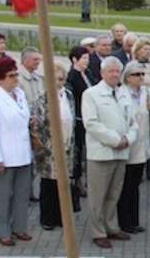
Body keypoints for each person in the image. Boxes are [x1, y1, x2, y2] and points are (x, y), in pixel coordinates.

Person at [82, 56, 138, 249]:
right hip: (101, 154)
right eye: (110, 71)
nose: (114, 74)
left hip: (122, 153)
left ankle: (111, 227)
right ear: (102, 73)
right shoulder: (91, 94)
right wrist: (115, 140)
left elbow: (133, 121)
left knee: (114, 193)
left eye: (117, 71)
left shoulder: (123, 93)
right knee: (98, 196)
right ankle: (98, 232)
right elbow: (91, 124)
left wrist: (128, 139)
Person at [0, 56, 33, 247]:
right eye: (11, 76)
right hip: (4, 156)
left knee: (21, 194)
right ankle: (3, 231)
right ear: (0, 78)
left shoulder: (19, 94)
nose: (16, 79)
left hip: (23, 154)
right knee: (2, 197)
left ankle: (19, 227)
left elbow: (23, 119)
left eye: (16, 74)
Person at [117, 61, 150, 235]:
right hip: (128, 145)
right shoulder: (121, 93)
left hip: (142, 144)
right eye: (137, 74)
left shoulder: (146, 91)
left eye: (143, 74)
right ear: (128, 77)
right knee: (126, 185)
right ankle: (123, 222)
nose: (141, 77)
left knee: (135, 184)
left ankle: (134, 221)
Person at [32, 62, 77, 230]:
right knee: (49, 185)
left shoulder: (69, 95)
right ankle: (47, 218)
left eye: (63, 75)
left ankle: (61, 216)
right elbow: (37, 126)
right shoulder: (42, 98)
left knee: (63, 184)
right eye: (57, 76)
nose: (61, 78)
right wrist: (46, 148)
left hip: (67, 147)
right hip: (49, 149)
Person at [65, 46, 93, 198]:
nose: (86, 61)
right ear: (75, 59)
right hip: (78, 119)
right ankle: (78, 182)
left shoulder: (87, 73)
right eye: (84, 58)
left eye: (88, 58)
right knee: (79, 151)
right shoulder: (72, 76)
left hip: (89, 117)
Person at [18, 46, 44, 203]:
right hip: (24, 126)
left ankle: (28, 191)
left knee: (34, 161)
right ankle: (23, 193)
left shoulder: (38, 78)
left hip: (37, 125)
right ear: (25, 60)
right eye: (35, 60)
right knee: (26, 161)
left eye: (39, 59)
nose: (38, 62)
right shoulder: (18, 80)